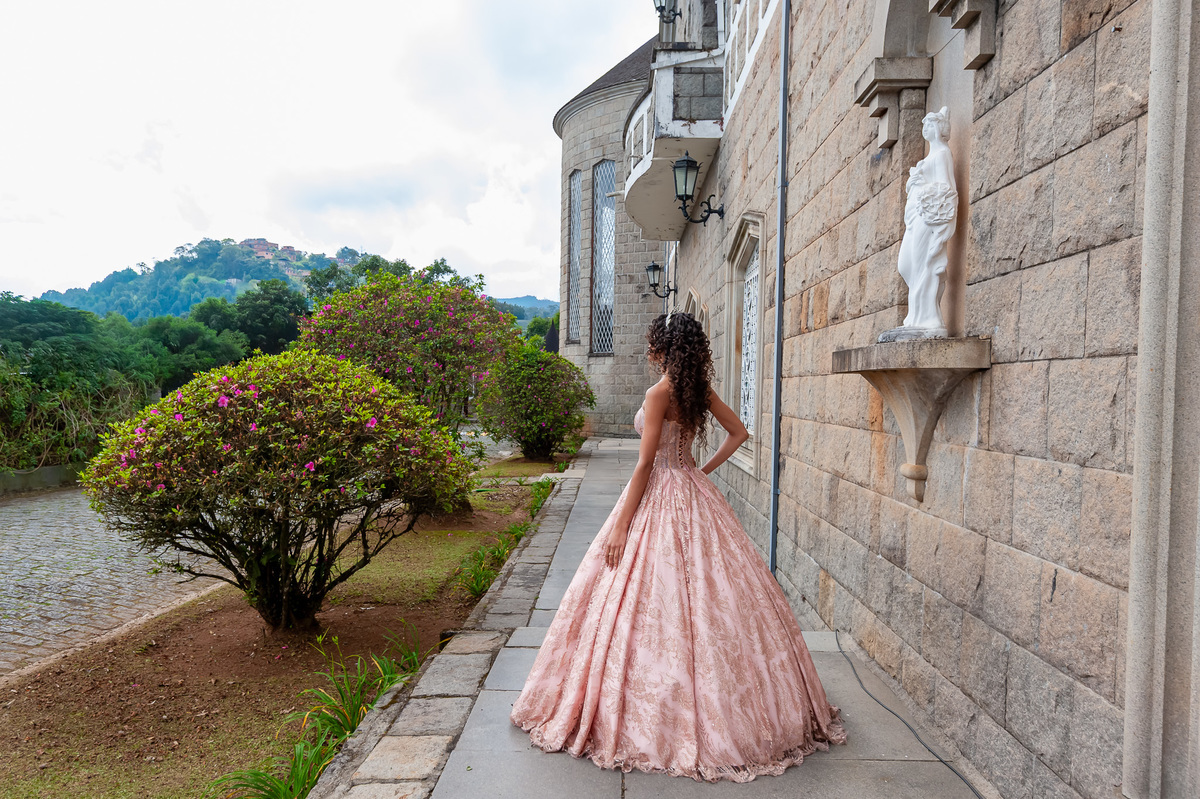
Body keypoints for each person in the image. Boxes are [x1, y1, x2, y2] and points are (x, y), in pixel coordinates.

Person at [510, 312, 845, 782]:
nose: (650, 353)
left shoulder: (658, 394)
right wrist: (699, 472)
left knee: (649, 600)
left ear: (662, 347)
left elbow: (645, 465)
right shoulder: (696, 392)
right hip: (692, 489)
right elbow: (740, 433)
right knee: (717, 598)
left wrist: (622, 526)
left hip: (659, 496)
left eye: (653, 345)